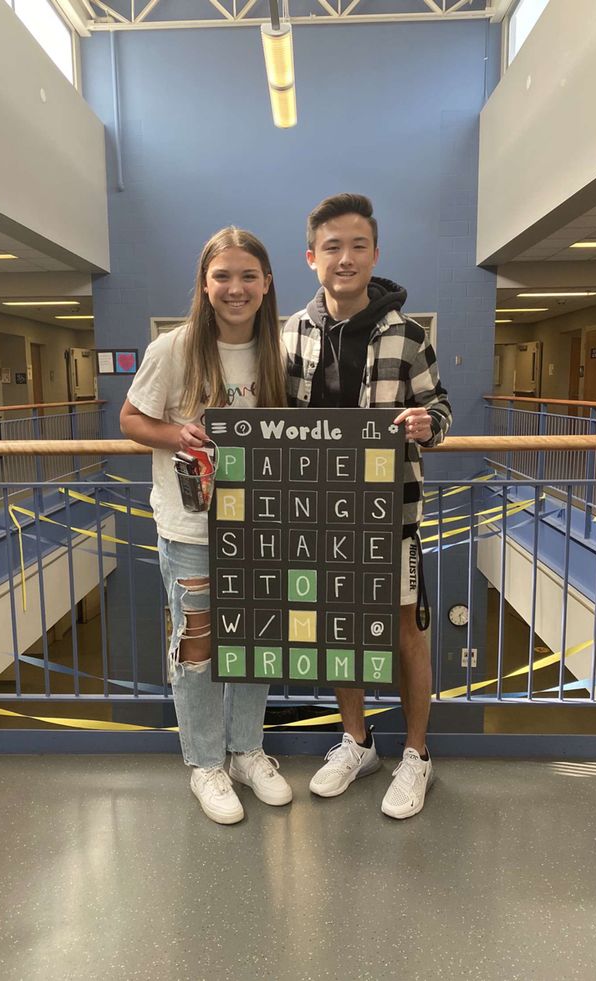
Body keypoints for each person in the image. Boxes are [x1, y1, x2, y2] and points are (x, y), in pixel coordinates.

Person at [283, 193, 452, 819]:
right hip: (318, 512)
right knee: (340, 629)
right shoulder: (294, 332)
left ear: (375, 254)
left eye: (358, 246)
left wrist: (422, 425)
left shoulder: (407, 333)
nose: (345, 258)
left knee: (406, 630)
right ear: (311, 258)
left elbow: (442, 410)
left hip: (393, 512)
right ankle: (357, 742)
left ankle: (416, 756)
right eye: (332, 247)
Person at [120, 227, 292, 825]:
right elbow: (132, 419)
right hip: (191, 529)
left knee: (257, 642)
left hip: (262, 527)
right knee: (199, 646)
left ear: (267, 284)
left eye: (248, 276)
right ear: (204, 283)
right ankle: (205, 762)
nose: (235, 288)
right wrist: (175, 434)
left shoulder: (281, 351)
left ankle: (246, 750)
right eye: (223, 276)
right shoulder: (173, 348)